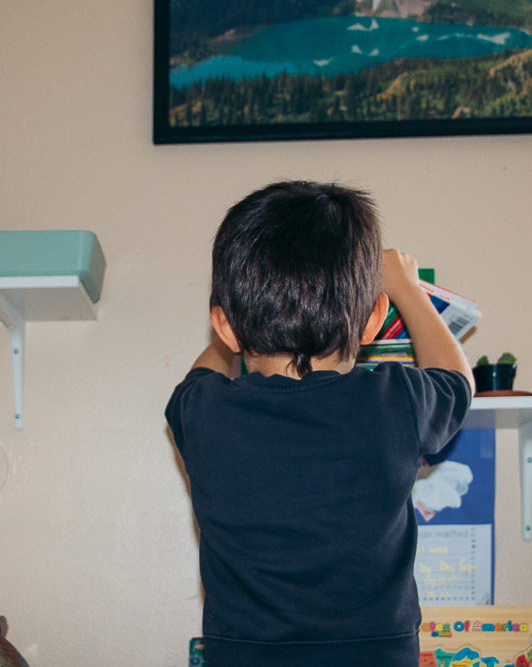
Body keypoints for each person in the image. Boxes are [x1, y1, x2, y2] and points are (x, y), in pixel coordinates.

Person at [165, 181, 474, 666]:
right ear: (373, 320)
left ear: (224, 325)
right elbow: (457, 381)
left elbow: (198, 376)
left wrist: (232, 338)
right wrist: (407, 291)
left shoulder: (203, 411)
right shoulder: (396, 400)